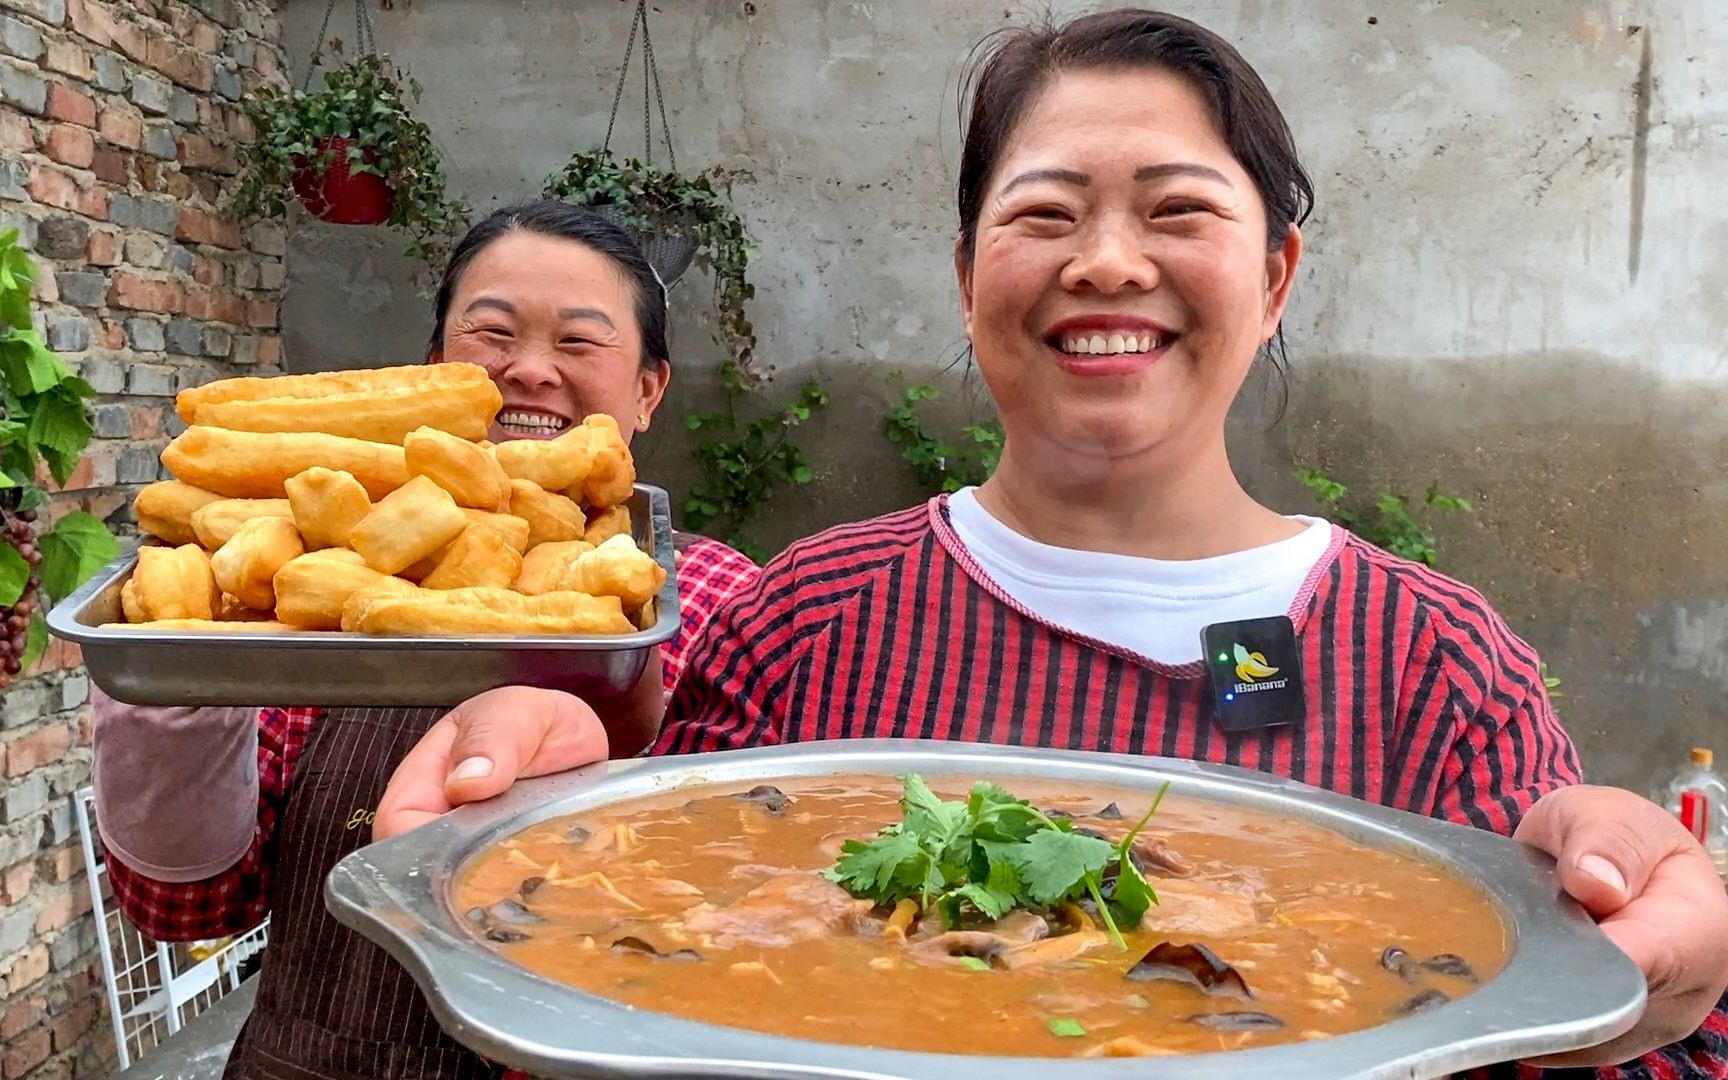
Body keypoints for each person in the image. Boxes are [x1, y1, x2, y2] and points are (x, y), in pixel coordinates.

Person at [379, 11, 1728, 1077]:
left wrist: (1666, 983)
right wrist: (528, 845)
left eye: (1179, 210)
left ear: (1275, 278)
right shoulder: (808, 617)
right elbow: (618, 1002)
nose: (1105, 262)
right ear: (970, 278)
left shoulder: (1436, 663)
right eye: (1044, 212)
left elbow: (1578, 1031)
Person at [90, 201, 761, 1080]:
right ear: (435, 364)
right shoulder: (303, 589)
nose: (529, 370)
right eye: (492, 333)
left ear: (647, 390)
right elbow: (188, 908)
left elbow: (756, 910)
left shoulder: (718, 604)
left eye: (579, 343)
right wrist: (169, 688)